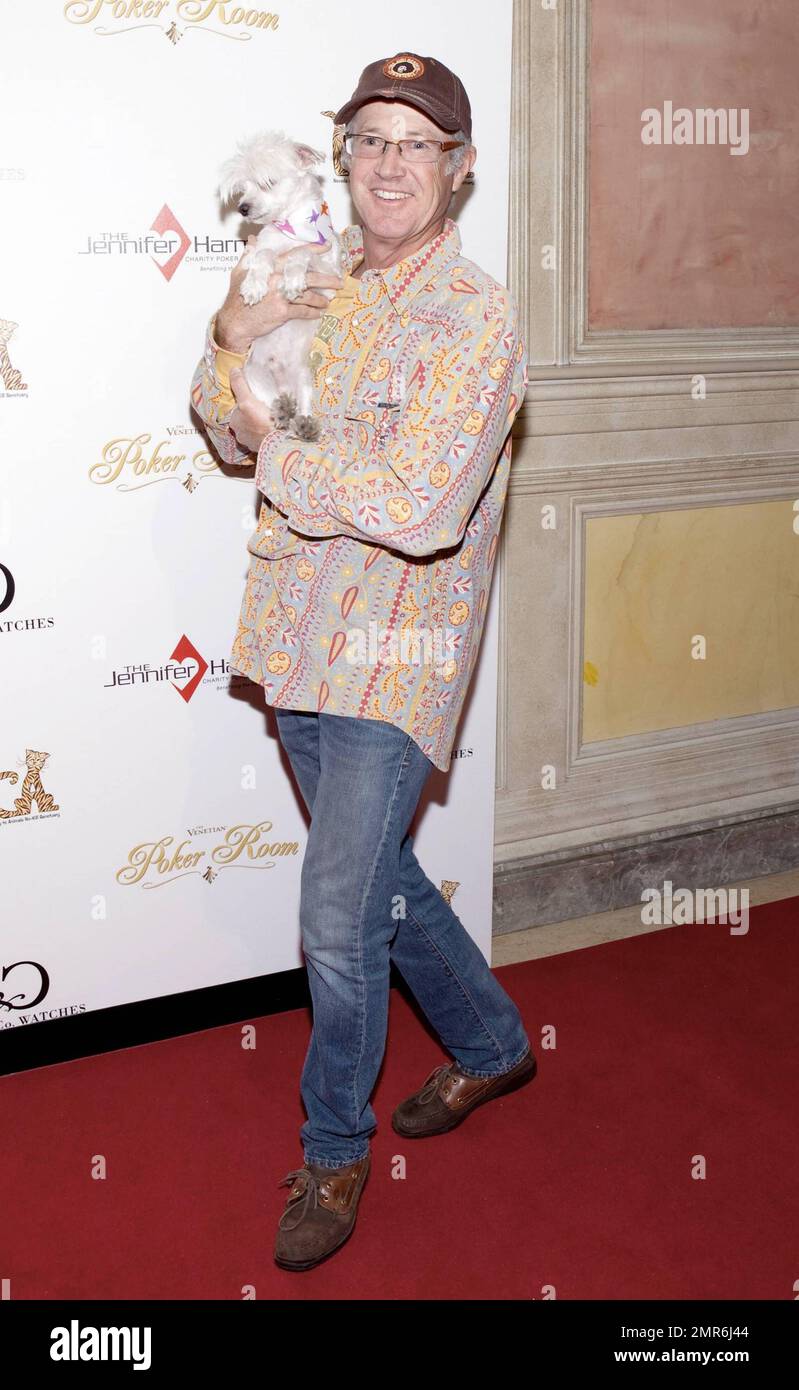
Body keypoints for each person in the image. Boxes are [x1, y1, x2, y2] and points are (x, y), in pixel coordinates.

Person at [190, 51, 534, 1274]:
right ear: (343, 156)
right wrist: (235, 329)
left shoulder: (476, 320)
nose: (391, 163)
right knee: (382, 876)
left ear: (460, 167)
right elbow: (215, 406)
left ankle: (333, 1146)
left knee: (338, 912)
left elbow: (421, 503)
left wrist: (277, 450)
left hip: (398, 650)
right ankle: (495, 1042)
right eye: (371, 139)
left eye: (417, 143)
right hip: (294, 634)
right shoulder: (308, 270)